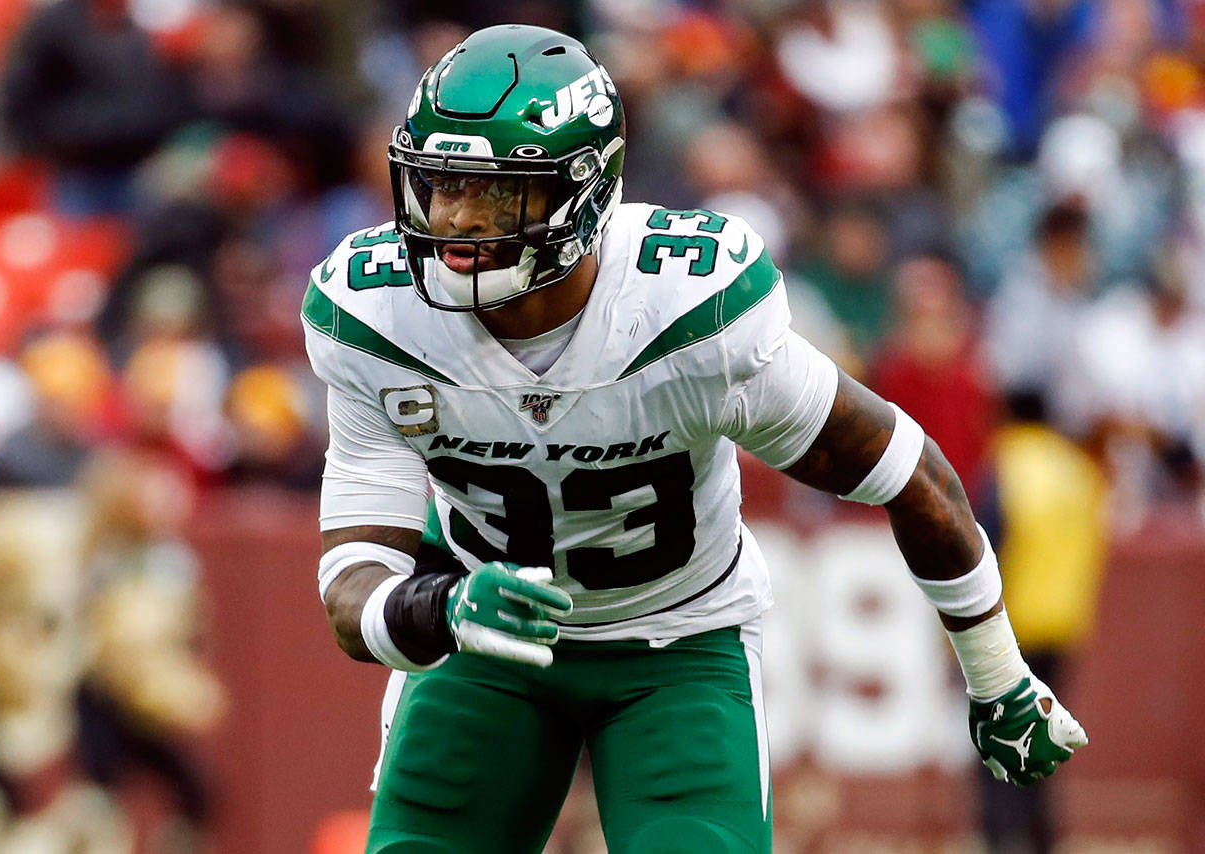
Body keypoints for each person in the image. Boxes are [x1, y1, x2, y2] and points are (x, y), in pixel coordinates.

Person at [300, 25, 1088, 853]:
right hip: (487, 640)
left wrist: (998, 677)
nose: (453, 223)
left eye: (492, 196)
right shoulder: (376, 317)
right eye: (440, 187)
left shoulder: (688, 314)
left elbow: (907, 470)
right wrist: (442, 608)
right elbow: (354, 588)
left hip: (676, 641)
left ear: (582, 191)